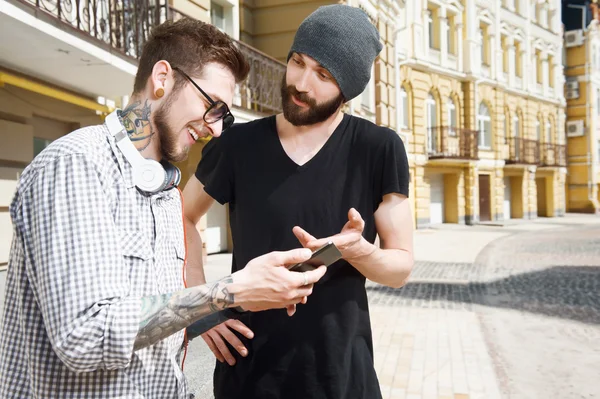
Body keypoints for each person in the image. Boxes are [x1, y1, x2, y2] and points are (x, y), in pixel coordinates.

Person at [0, 18, 327, 399]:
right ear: (162, 78)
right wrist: (227, 291)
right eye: (213, 106)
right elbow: (84, 336)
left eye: (225, 115)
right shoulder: (76, 165)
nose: (217, 130)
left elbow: (159, 327)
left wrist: (231, 304)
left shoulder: (167, 190)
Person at [183, 4, 414, 399]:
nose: (301, 83)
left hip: (341, 377)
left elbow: (399, 268)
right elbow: (182, 216)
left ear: (348, 88)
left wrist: (358, 251)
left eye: (323, 74)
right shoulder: (239, 145)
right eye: (297, 61)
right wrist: (201, 308)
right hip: (248, 373)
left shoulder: (378, 148)